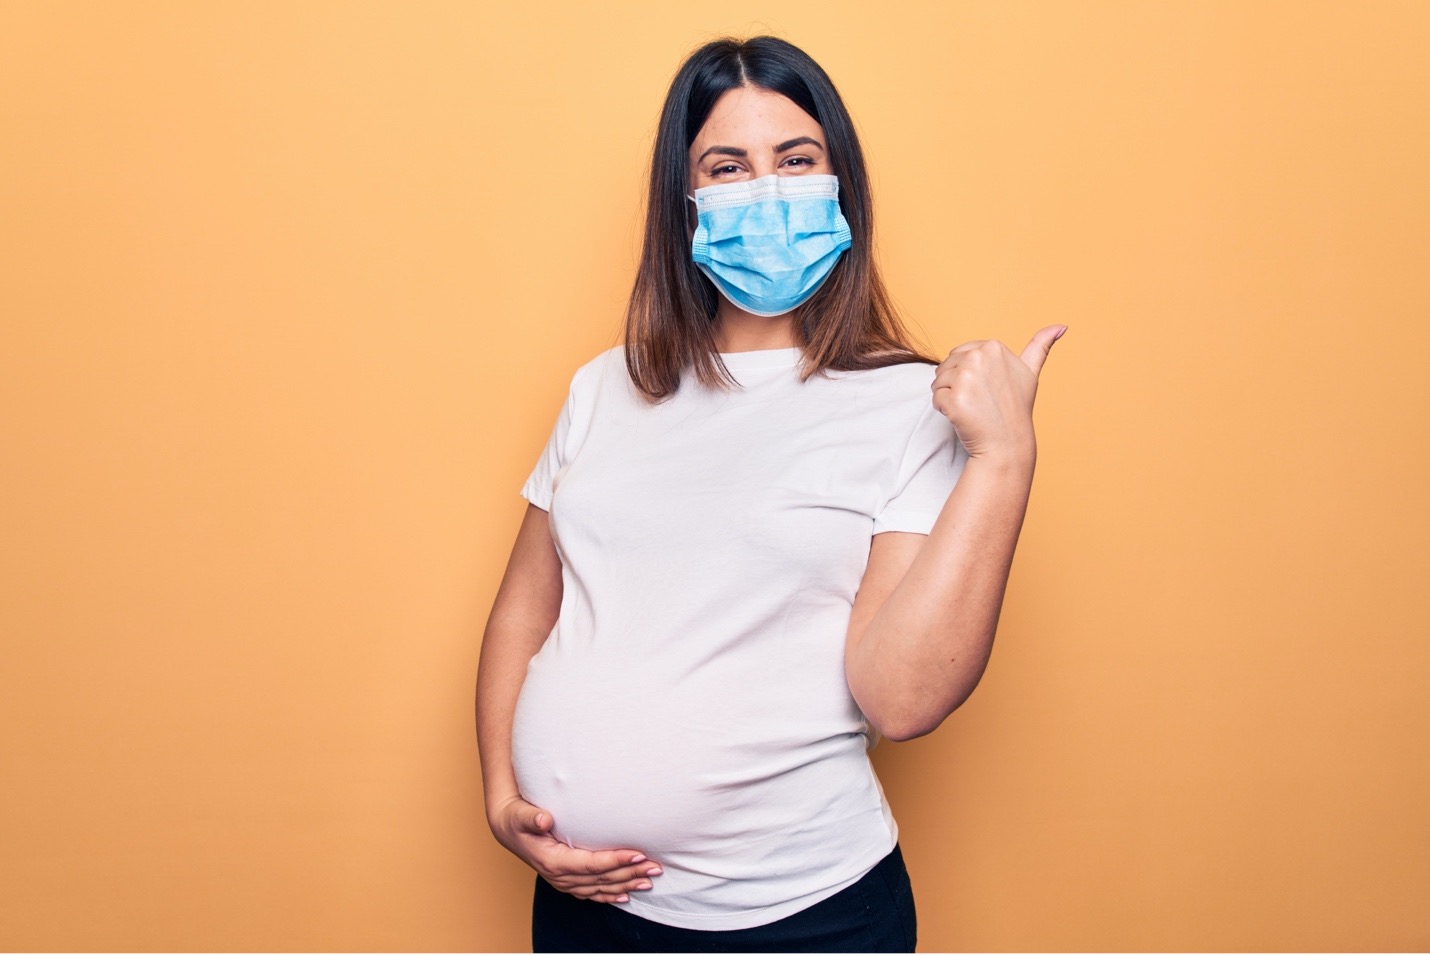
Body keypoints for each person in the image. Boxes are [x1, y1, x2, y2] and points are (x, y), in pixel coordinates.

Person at [476, 34, 1065, 953]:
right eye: (728, 166)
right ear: (687, 201)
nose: (768, 189)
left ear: (842, 185)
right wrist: (502, 799)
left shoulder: (910, 406)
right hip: (588, 908)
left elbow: (900, 700)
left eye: (796, 160)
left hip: (802, 920)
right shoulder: (604, 387)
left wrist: (1004, 458)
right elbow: (523, 609)